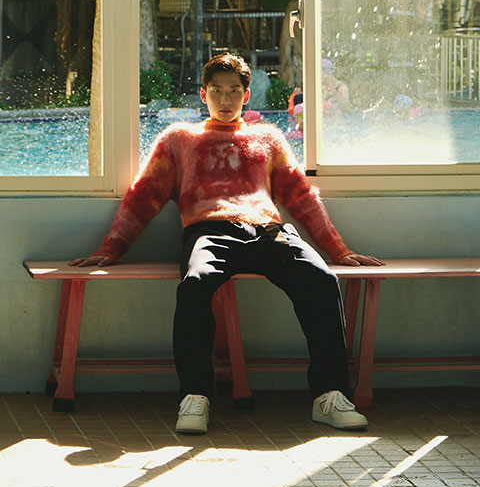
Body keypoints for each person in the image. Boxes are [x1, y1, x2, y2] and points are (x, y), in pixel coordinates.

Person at [71, 52, 382, 436]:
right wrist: (111, 248)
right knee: (194, 285)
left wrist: (339, 251)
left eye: (234, 91)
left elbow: (301, 196)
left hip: (267, 231)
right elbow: (143, 195)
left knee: (320, 279)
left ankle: (330, 395)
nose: (225, 99)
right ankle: (195, 396)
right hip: (209, 231)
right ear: (203, 94)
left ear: (246, 95)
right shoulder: (179, 140)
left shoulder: (268, 138)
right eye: (217, 91)